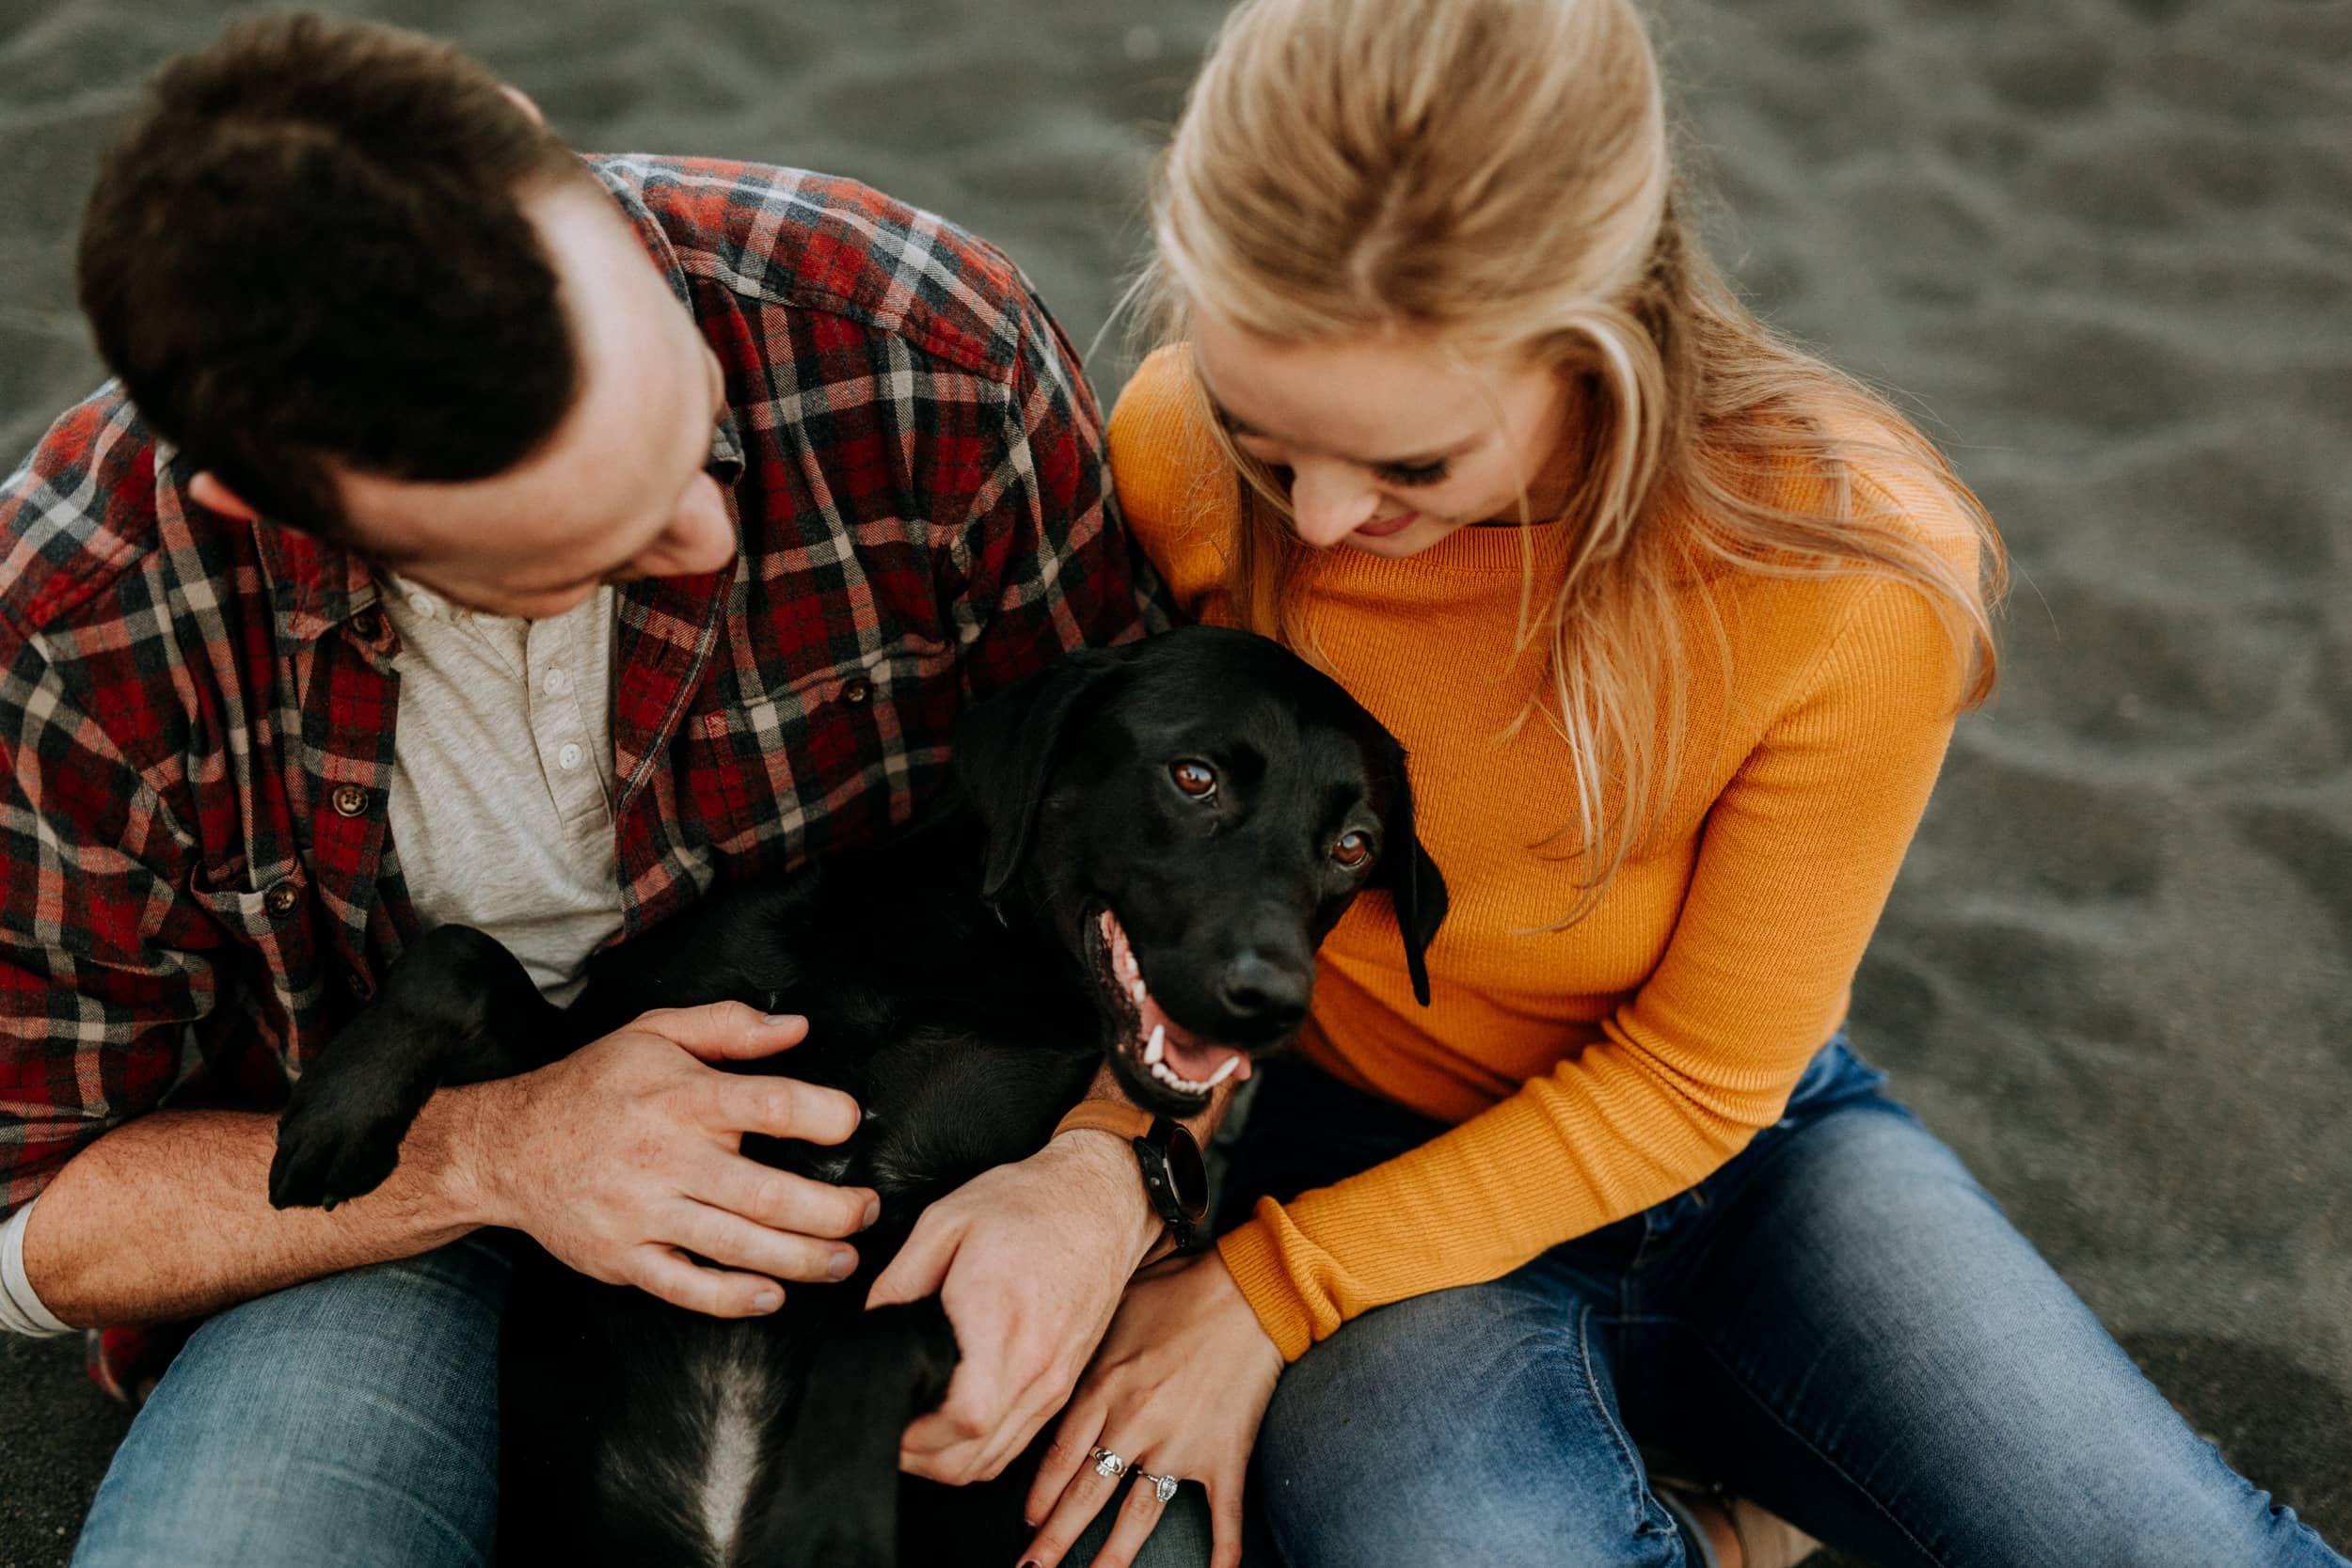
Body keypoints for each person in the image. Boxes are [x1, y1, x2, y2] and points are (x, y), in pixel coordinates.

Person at [1013, 2, 2352, 1566]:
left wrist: (1268, 1289)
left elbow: (1709, 1079)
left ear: (1596, 347)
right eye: (1265, 436)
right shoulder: (1175, 456)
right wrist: (1119, 1164)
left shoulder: (1845, 565)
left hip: (1752, 1153)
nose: (1311, 519)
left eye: (1413, 467)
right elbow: (1111, 863)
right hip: (1370, 1166)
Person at [0, 16, 1200, 1564]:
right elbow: (40, 1215)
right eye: (587, 557)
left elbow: (1161, 865)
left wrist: (1106, 1174)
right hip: (389, 1223)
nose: (704, 540)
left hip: (921, 1161)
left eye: (695, 429)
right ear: (272, 498)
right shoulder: (72, 624)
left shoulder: (928, 356)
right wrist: (493, 1153)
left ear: (526, 140)